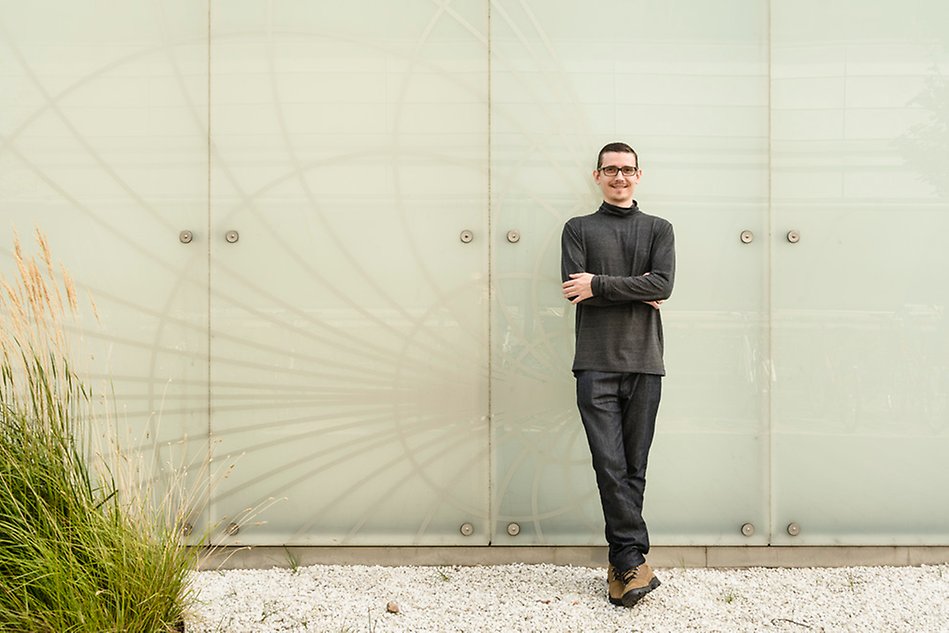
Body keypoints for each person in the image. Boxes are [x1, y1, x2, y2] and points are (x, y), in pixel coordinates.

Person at [560, 142, 675, 608]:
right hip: (595, 364)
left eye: (627, 169)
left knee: (634, 468)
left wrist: (601, 284)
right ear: (597, 175)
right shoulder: (578, 229)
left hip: (645, 364)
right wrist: (634, 288)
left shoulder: (659, 229)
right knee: (609, 465)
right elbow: (574, 290)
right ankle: (632, 559)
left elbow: (663, 284)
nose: (620, 176)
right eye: (611, 169)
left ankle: (623, 562)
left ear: (639, 175)